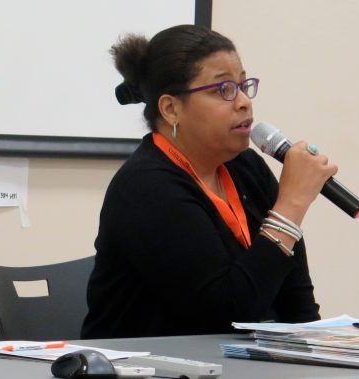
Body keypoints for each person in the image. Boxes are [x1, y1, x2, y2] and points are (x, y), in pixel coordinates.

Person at [81, 25, 337, 339]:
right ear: (171, 108)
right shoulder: (147, 187)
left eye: (244, 85)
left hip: (243, 364)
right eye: (224, 90)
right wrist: (292, 204)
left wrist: (320, 355)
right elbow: (226, 313)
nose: (244, 102)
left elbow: (298, 303)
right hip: (151, 366)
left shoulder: (246, 167)